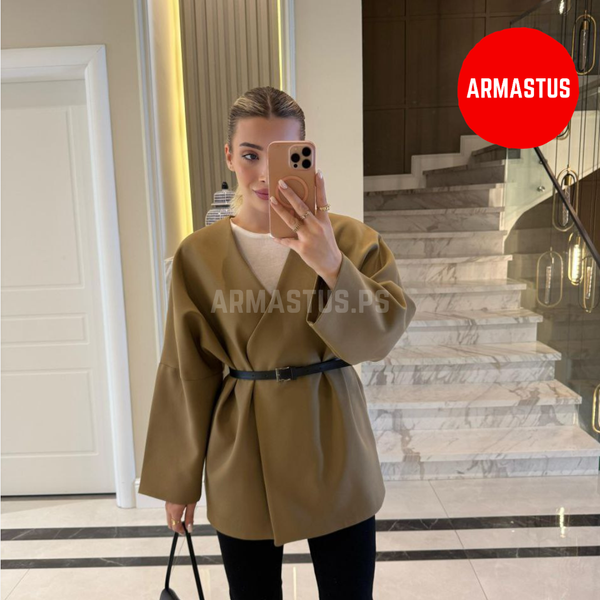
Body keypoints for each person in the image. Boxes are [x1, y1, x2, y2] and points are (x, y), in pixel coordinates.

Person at [138, 86, 417, 599]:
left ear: (306, 155)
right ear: (229, 156)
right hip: (242, 448)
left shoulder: (351, 240)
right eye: (250, 156)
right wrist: (179, 480)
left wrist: (331, 262)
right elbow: (186, 368)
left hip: (333, 437)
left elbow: (380, 337)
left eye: (282, 156)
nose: (265, 176)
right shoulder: (198, 254)